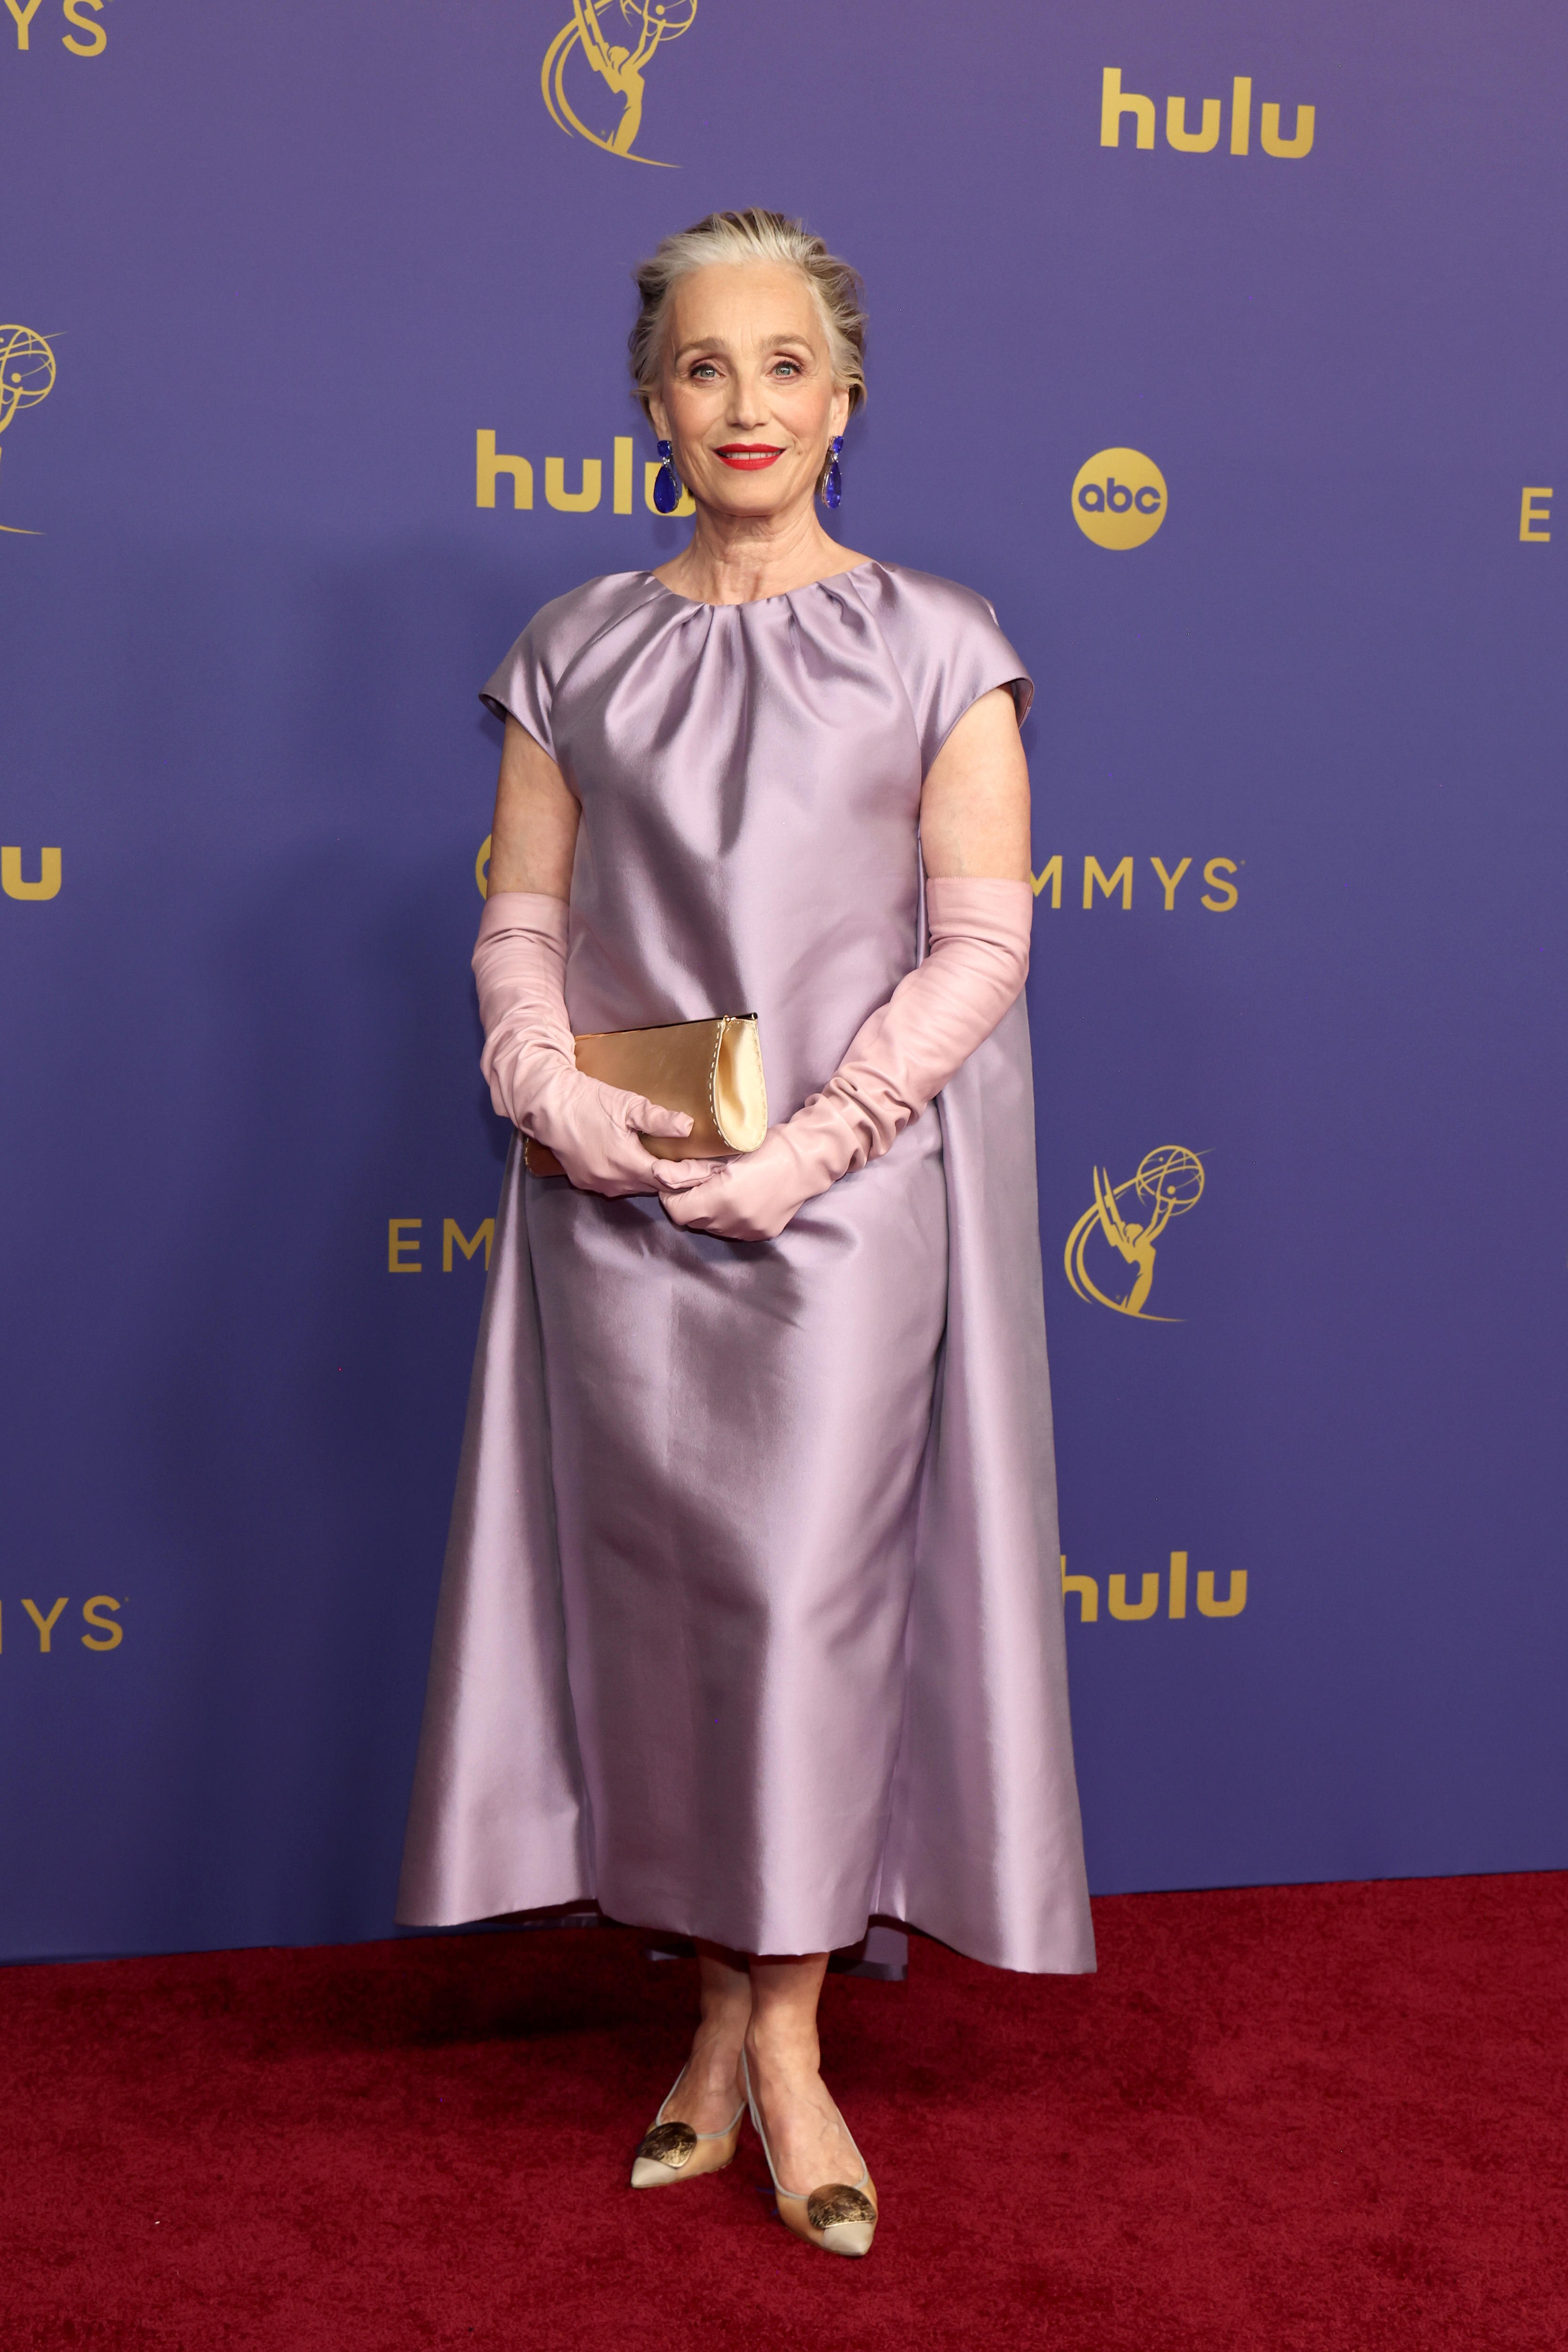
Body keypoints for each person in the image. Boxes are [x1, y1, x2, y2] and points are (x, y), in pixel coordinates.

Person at [398, 208, 1093, 2260]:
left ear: (846, 393)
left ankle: (790, 2042)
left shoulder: (942, 640)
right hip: (613, 1212)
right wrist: (546, 1082)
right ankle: (711, 2018)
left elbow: (982, 941)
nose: (745, 404)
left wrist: (819, 1147)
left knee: (800, 1613)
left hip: (847, 1218)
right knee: (667, 1624)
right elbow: (524, 913)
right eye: (704, 366)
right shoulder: (572, 646)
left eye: (783, 363)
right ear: (649, 401)